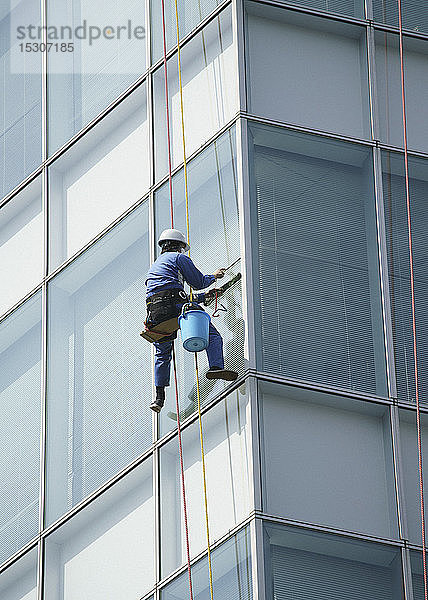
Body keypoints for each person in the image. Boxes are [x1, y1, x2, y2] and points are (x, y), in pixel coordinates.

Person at [145, 228, 238, 413]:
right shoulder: (179, 259)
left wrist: (204, 297)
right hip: (175, 305)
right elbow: (198, 282)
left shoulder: (155, 267)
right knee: (211, 333)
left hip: (155, 313)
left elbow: (171, 295)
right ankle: (215, 367)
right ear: (178, 246)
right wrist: (215, 276)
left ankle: (159, 397)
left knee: (163, 353)